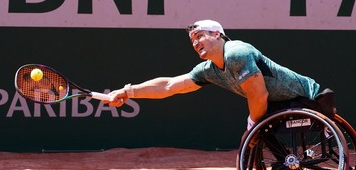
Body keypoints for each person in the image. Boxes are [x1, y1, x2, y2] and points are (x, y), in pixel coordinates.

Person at [107, 19, 333, 133]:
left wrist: (252, 124)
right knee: (253, 139)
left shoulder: (237, 52)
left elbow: (258, 94)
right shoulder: (209, 70)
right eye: (192, 40)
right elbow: (169, 86)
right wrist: (129, 91)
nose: (195, 43)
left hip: (308, 100)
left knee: (251, 138)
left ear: (217, 34)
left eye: (199, 36)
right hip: (280, 106)